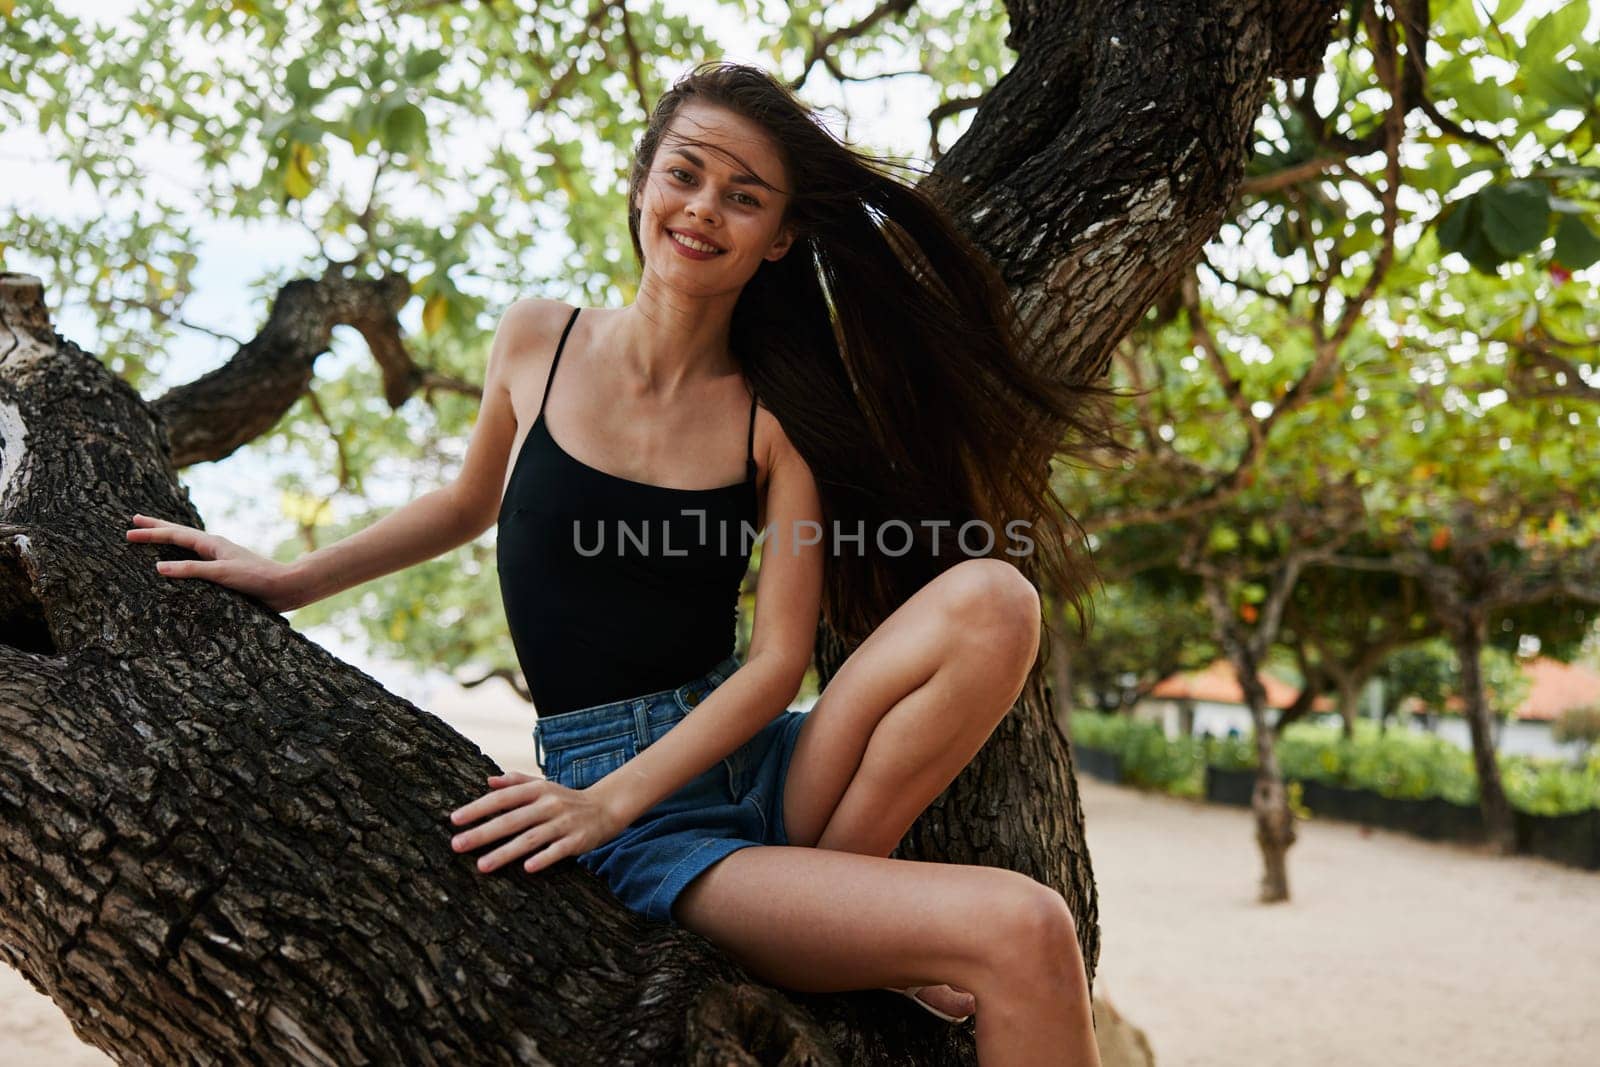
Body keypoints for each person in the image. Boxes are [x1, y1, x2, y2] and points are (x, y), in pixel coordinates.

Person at [127, 61, 1111, 1065]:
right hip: (651, 823)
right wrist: (292, 577)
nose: (703, 209)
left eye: (744, 195)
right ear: (641, 181)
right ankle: (832, 916)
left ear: (778, 239)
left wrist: (614, 800)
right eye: (685, 173)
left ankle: (832, 888)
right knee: (1028, 926)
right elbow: (465, 504)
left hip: (762, 766)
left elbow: (776, 665)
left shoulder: (775, 421)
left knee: (997, 596)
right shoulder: (537, 340)